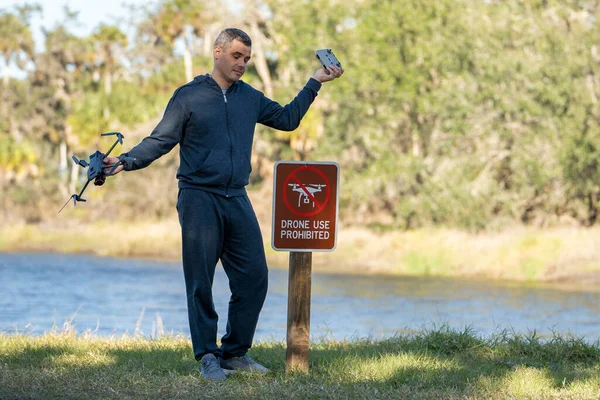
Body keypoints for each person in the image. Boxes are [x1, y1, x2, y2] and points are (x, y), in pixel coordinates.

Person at [103, 28, 343, 381]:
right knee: (201, 279)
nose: (242, 63)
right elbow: (159, 140)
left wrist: (315, 82)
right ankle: (208, 356)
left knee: (254, 277)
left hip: (237, 197)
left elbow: (288, 120)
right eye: (236, 56)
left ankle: (234, 352)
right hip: (199, 196)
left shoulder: (250, 97)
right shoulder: (189, 96)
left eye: (246, 58)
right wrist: (125, 161)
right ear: (217, 52)